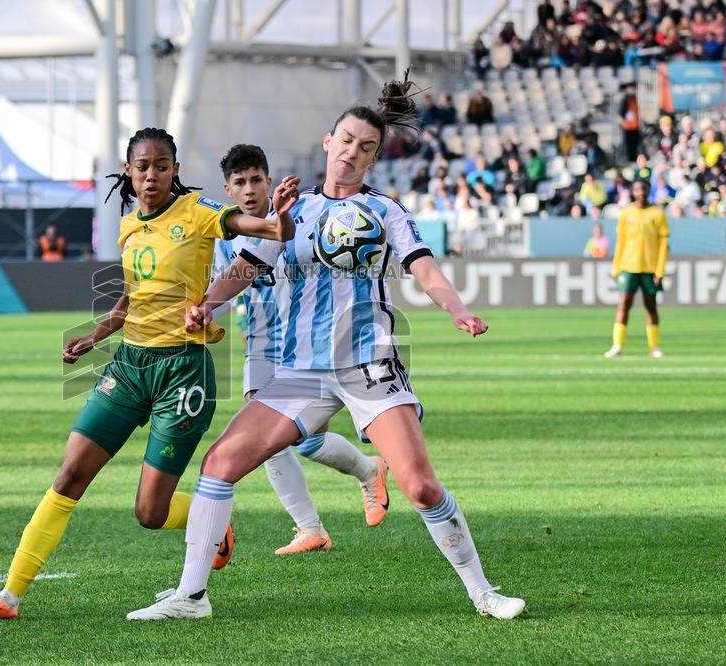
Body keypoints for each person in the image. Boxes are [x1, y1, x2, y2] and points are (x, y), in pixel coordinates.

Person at [128, 78, 526, 622]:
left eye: (366, 147)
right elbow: (247, 267)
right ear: (327, 141)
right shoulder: (296, 210)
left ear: (374, 158)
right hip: (300, 370)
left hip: (369, 364)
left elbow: (424, 267)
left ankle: (483, 592)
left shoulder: (385, 212)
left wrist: (454, 307)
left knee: (421, 486)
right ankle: (191, 597)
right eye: (346, 140)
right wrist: (207, 302)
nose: (352, 152)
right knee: (220, 464)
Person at [0, 127, 298, 620]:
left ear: (175, 170)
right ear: (129, 173)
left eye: (162, 166)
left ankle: (211, 524)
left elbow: (269, 233)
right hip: (129, 366)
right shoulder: (129, 225)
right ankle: (8, 597)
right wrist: (96, 335)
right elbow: (134, 294)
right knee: (70, 473)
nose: (152, 175)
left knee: (149, 514)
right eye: (143, 167)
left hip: (183, 372)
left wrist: (277, 217)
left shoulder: (199, 214)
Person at [213, 144, 391, 556]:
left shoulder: (294, 222)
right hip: (261, 341)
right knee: (263, 437)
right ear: (229, 190)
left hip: (307, 342)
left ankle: (369, 471)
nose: (249, 189)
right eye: (239, 183)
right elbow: (225, 292)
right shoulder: (224, 238)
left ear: (269, 182)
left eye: (256, 179)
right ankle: (310, 527)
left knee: (307, 441)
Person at [605, 179, 668, 359]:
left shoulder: (657, 213)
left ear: (649, 190)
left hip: (649, 267)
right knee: (623, 305)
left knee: (651, 307)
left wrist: (660, 270)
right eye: (637, 189)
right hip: (628, 266)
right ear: (633, 192)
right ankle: (617, 346)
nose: (641, 193)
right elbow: (621, 242)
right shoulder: (626, 213)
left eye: (644, 189)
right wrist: (616, 267)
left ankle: (654, 347)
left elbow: (663, 244)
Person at [620, 84, 641, 162]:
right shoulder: (625, 100)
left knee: (635, 144)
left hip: (635, 126)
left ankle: (634, 158)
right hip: (628, 127)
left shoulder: (635, 99)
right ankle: (629, 159)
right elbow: (621, 112)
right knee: (628, 145)